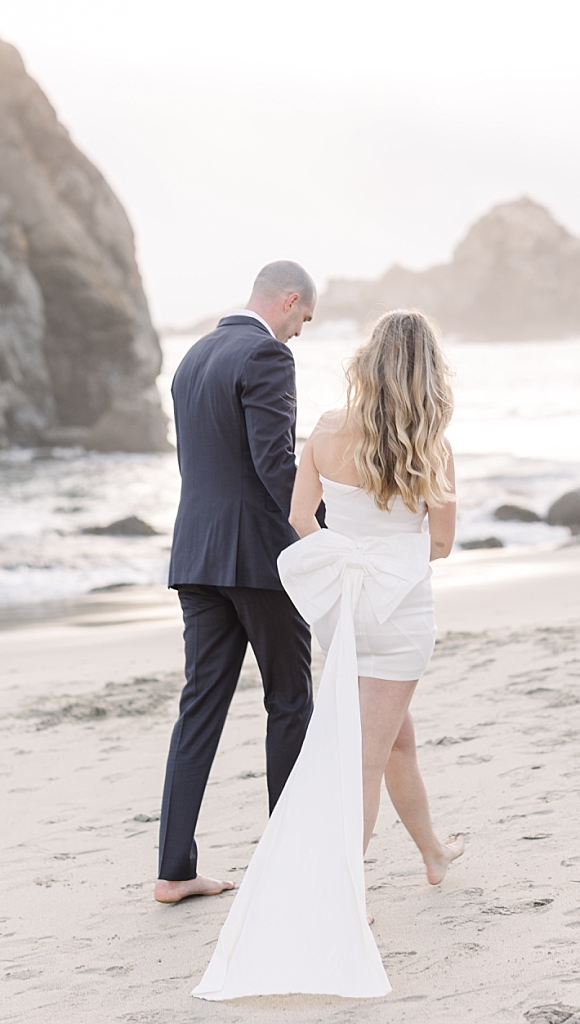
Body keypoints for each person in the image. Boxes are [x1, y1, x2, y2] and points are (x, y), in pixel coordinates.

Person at [192, 309, 466, 1000]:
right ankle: (347, 896)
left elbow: (295, 516)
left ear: (368, 363)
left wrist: (349, 548)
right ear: (428, 372)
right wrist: (393, 549)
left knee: (391, 738)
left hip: (345, 607)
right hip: (400, 610)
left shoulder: (326, 429)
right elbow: (441, 545)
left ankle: (433, 853)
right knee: (368, 752)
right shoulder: (432, 444)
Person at [156, 261, 317, 904]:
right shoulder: (266, 356)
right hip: (258, 559)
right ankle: (290, 860)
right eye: (303, 319)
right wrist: (321, 534)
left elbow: (202, 464)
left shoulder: (191, 359)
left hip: (196, 555)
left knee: (200, 707)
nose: (299, 333)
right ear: (288, 300)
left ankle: (173, 870)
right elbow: (274, 462)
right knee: (290, 699)